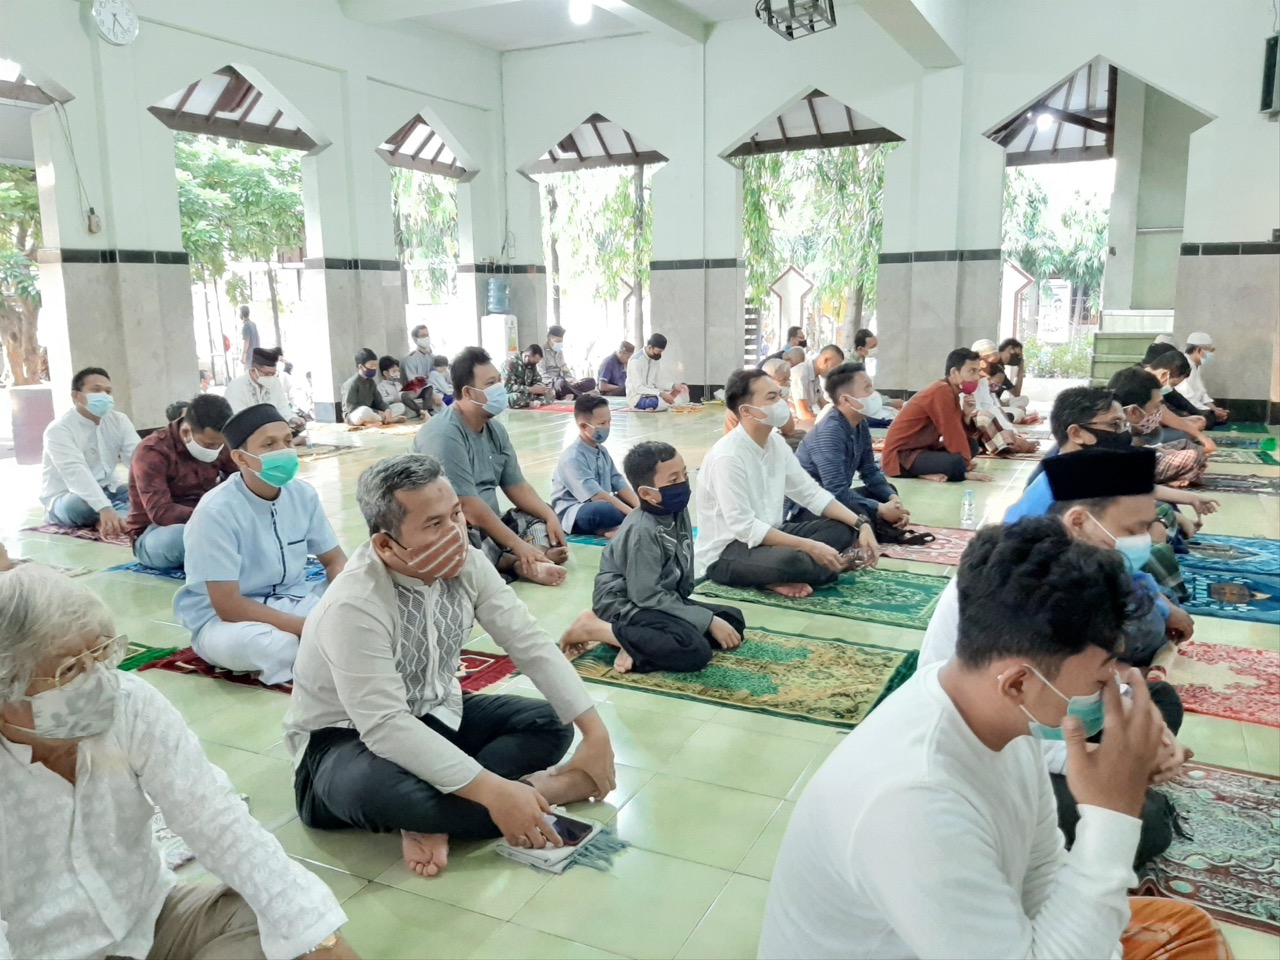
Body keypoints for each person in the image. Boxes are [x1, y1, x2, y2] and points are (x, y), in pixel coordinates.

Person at [761, 517, 1229, 960]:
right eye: (1101, 675)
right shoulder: (913, 800)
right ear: (1018, 684)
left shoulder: (1000, 718)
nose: (1113, 688)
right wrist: (1113, 816)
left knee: (1187, 928)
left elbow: (1042, 870)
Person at [0, 564, 357, 960]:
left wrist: (318, 939)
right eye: (69, 669)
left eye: (100, 653)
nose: (96, 679)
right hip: (37, 951)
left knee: (278, 924)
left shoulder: (128, 704)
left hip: (148, 923)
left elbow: (215, 819)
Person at [286, 454, 617, 879]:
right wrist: (495, 792)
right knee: (377, 791)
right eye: (434, 524)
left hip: (435, 712)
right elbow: (384, 724)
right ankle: (539, 791)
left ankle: (439, 814)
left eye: (456, 514)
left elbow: (529, 642)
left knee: (552, 722)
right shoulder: (354, 604)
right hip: (345, 741)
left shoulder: (467, 563)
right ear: (385, 545)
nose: (456, 532)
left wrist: (595, 731)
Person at [921, 451, 1194, 870]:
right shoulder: (1021, 585)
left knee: (1160, 703)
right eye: (1135, 529)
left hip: (1052, 714)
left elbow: (1095, 674)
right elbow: (1002, 723)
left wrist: (1140, 724)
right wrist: (1099, 762)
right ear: (1080, 521)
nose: (1148, 540)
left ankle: (1124, 779)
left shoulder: (1083, 575)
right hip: (999, 746)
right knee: (1149, 823)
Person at [175, 404, 347, 685]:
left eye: (287, 441)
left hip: (294, 599)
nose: (284, 451)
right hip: (229, 622)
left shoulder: (302, 495)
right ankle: (317, 650)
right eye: (269, 444)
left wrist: (347, 596)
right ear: (241, 458)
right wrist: (308, 627)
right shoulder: (215, 512)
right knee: (277, 647)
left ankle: (319, 647)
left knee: (365, 605)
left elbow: (335, 560)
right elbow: (229, 606)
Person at [560, 441, 747, 674]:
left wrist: (703, 618)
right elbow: (645, 596)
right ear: (647, 493)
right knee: (693, 650)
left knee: (732, 619)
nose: (683, 483)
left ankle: (636, 642)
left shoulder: (676, 510)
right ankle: (597, 629)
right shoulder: (642, 530)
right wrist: (706, 620)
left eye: (684, 474)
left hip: (661, 598)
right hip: (625, 604)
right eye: (673, 480)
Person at [695, 368, 879, 598]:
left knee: (843, 529)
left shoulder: (775, 443)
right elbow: (745, 528)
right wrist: (810, 546)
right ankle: (798, 571)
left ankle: (789, 573)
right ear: (747, 411)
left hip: (772, 536)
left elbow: (810, 493)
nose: (781, 402)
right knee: (793, 560)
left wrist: (861, 523)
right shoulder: (728, 457)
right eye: (771, 398)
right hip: (728, 551)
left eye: (780, 395)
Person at [413, 347, 569, 586]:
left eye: (498, 381)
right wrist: (519, 545)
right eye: (490, 383)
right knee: (457, 542)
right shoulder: (444, 434)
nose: (499, 389)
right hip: (454, 527)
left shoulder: (495, 430)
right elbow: (467, 506)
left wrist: (550, 517)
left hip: (491, 524)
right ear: (468, 392)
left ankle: (529, 559)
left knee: (539, 514)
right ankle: (517, 560)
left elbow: (517, 486)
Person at [1005, 387, 1218, 536]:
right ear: (1077, 433)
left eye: (1123, 425)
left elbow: (1133, 486)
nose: (1122, 434)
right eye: (1114, 425)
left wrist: (1191, 499)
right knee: (1154, 534)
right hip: (1033, 560)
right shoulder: (1071, 475)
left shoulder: (1080, 464)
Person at [126, 394, 235, 570]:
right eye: (210, 445)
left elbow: (239, 479)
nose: (217, 449)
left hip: (210, 521)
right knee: (185, 538)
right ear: (186, 433)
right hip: (157, 531)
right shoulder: (151, 452)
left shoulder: (218, 441)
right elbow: (161, 512)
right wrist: (213, 518)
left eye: (220, 445)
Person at [792, 363, 908, 526]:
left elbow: (870, 471)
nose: (874, 394)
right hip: (808, 507)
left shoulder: (860, 423)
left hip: (833, 498)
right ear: (846, 399)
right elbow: (836, 492)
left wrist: (893, 500)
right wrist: (880, 509)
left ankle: (877, 523)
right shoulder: (829, 433)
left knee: (886, 492)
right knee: (844, 524)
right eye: (867, 388)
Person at [39, 366, 139, 537]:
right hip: (70, 495)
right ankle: (118, 516)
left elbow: (139, 459)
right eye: (96, 390)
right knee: (78, 507)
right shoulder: (59, 430)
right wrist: (104, 507)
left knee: (143, 493)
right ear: (76, 396)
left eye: (108, 391)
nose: (104, 396)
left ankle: (113, 520)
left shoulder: (119, 420)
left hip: (111, 489)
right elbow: (75, 472)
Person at [880, 348, 994, 483]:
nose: (976, 377)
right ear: (954, 372)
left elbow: (959, 431)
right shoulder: (941, 391)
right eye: (971, 371)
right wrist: (964, 468)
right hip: (900, 458)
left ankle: (925, 471)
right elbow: (952, 432)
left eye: (977, 371)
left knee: (971, 446)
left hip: (922, 450)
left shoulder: (951, 392)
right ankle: (922, 472)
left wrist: (967, 414)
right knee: (956, 462)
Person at [550, 395, 639, 537]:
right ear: (583, 426)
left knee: (636, 498)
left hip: (603, 502)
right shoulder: (572, 458)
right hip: (577, 511)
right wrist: (634, 514)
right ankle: (609, 528)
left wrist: (640, 507)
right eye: (602, 423)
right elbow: (597, 495)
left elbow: (618, 482)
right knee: (604, 510)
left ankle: (611, 528)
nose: (607, 427)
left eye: (609, 421)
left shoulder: (602, 451)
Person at [1109, 367, 1206, 487]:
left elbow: (1139, 445)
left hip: (1138, 456)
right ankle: (1173, 478)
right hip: (1127, 468)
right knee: (1192, 457)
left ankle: (1181, 475)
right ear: (1134, 412)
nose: (1159, 413)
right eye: (1156, 407)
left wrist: (1161, 451)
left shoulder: (1126, 420)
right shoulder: (1112, 425)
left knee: (1188, 445)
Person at [224, 347, 308, 444]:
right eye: (267, 373)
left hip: (273, 435)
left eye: (273, 373)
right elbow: (239, 421)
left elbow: (282, 407)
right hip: (246, 438)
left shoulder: (274, 382)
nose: (271, 377)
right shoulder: (236, 386)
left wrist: (292, 419)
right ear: (253, 370)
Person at [723, 357, 807, 450]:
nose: (788, 384)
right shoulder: (746, 402)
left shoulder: (776, 400)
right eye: (783, 380)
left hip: (768, 438)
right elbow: (732, 440)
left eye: (789, 379)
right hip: (747, 445)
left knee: (802, 436)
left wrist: (783, 402)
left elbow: (789, 430)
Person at [1143, 350, 1216, 453]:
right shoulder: (1144, 384)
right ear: (1165, 374)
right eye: (1171, 384)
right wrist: (1200, 436)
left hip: (1142, 432)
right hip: (1137, 437)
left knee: (1192, 427)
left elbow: (1162, 413)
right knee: (1188, 433)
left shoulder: (1142, 377)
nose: (1168, 388)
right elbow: (1163, 415)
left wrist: (1186, 420)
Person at [972, 339, 1038, 446]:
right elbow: (977, 411)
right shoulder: (969, 382)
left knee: (1002, 412)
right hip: (977, 421)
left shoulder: (987, 379)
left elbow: (992, 405)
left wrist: (1013, 433)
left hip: (991, 411)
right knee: (987, 416)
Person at [343, 348, 408, 427]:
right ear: (361, 367)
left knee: (400, 406)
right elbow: (351, 408)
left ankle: (380, 420)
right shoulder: (351, 384)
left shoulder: (371, 382)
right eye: (371, 366)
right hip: (354, 416)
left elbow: (379, 402)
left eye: (375, 366)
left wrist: (387, 409)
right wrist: (377, 412)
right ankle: (384, 420)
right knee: (364, 411)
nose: (374, 368)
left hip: (373, 412)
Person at [1176, 331, 1228, 426]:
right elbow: (1187, 398)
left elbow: (1201, 393)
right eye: (1209, 351)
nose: (1211, 354)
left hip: (1196, 407)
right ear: (1199, 350)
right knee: (1209, 418)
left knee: (1219, 416)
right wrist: (1210, 411)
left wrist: (1214, 409)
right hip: (1186, 408)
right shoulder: (1185, 365)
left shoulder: (1195, 366)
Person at [626, 334, 690, 411]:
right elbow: (638, 388)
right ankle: (666, 403)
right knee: (654, 402)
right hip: (637, 397)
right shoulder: (636, 361)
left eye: (661, 352)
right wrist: (660, 394)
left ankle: (667, 403)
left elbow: (658, 382)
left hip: (652, 394)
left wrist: (674, 386)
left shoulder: (654, 360)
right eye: (658, 351)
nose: (660, 354)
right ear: (650, 347)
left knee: (678, 394)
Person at [790, 344, 845, 423]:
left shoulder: (816, 376)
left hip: (805, 420)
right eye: (835, 368)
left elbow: (824, 405)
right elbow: (803, 414)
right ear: (825, 360)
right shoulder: (801, 374)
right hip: (794, 422)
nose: (835, 373)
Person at [538, 325, 597, 398]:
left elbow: (564, 367)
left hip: (564, 381)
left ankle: (570, 394)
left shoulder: (559, 352)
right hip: (551, 383)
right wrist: (556, 380)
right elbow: (541, 374)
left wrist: (571, 379)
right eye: (557, 341)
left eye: (561, 341)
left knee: (591, 381)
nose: (559, 344)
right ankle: (582, 395)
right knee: (561, 384)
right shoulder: (541, 352)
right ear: (549, 339)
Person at [503, 344, 553, 409]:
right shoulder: (510, 364)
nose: (535, 364)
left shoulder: (532, 365)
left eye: (536, 363)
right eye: (534, 362)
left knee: (551, 392)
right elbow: (507, 388)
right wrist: (529, 389)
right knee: (514, 398)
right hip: (517, 394)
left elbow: (538, 380)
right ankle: (531, 402)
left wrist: (539, 387)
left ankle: (537, 402)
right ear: (527, 356)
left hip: (529, 394)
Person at [379, 355, 426, 421]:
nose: (397, 373)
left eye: (398, 371)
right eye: (394, 371)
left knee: (416, 402)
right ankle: (390, 418)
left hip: (403, 406)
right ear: (385, 373)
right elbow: (382, 401)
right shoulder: (381, 386)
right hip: (392, 407)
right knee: (401, 406)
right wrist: (394, 397)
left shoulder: (398, 384)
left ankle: (418, 413)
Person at [402, 324, 435, 405]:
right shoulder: (410, 359)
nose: (426, 338)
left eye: (427, 335)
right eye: (423, 336)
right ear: (415, 339)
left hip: (434, 387)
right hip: (419, 391)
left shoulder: (430, 356)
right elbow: (413, 382)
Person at [239, 304, 260, 369]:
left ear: (241, 314)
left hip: (249, 358)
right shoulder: (253, 324)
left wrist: (243, 356)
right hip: (257, 356)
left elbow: (246, 342)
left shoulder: (245, 326)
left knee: (248, 374)